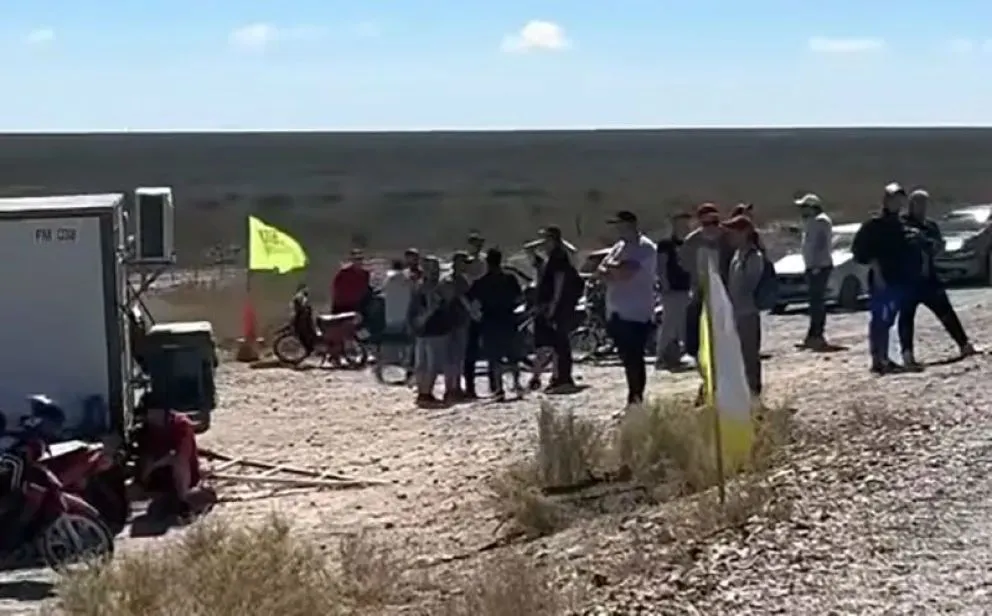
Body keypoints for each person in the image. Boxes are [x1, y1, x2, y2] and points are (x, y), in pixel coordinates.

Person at [897, 189, 976, 367]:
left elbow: (938, 247)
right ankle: (907, 353)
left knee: (946, 311)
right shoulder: (902, 224)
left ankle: (964, 344)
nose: (921, 208)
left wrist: (932, 244)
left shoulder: (930, 226)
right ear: (911, 205)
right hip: (908, 279)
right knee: (906, 317)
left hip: (929, 277)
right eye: (918, 204)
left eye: (924, 204)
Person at [596, 211, 657, 406]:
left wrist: (613, 269)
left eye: (620, 224)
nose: (617, 229)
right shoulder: (619, 247)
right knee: (626, 357)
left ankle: (636, 398)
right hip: (616, 309)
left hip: (636, 311)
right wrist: (614, 268)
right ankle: (633, 397)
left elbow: (626, 273)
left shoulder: (645, 248)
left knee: (634, 357)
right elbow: (600, 270)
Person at [852, 183, 913, 374]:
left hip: (899, 279)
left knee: (889, 320)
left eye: (900, 199)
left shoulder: (901, 225)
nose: (897, 203)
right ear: (886, 201)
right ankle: (878, 358)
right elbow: (860, 252)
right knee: (880, 319)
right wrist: (876, 268)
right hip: (881, 279)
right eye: (894, 199)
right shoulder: (874, 226)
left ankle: (885, 356)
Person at [468, 248, 525, 400]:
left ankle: (499, 388)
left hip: (490, 321)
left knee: (495, 358)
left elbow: (471, 300)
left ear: (487, 262)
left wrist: (477, 316)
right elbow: (519, 298)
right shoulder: (510, 279)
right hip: (508, 319)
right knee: (513, 356)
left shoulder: (481, 282)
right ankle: (517, 385)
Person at [133, 398, 202, 521]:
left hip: (183, 475)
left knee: (178, 462)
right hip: (160, 475)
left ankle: (183, 501)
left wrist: (155, 464)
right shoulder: (149, 428)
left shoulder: (181, 424)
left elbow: (179, 455)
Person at [681, 203, 733, 361]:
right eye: (706, 223)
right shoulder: (692, 242)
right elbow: (686, 265)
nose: (711, 227)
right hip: (701, 290)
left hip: (726, 290)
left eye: (714, 222)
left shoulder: (728, 238)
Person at [534, 226, 583, 392]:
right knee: (557, 344)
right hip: (556, 306)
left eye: (546, 239)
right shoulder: (551, 257)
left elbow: (559, 283)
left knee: (561, 343)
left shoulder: (559, 258)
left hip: (559, 306)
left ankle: (564, 379)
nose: (543, 243)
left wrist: (553, 306)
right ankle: (558, 378)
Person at [724, 216, 766, 397]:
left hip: (747, 313)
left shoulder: (753, 256)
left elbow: (750, 285)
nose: (731, 235)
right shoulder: (737, 255)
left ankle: (754, 393)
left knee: (749, 356)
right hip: (735, 314)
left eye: (734, 231)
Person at [407, 257, 454, 407]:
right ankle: (426, 393)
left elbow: (412, 311)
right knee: (431, 364)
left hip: (422, 330)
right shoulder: (432, 288)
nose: (436, 271)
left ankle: (423, 392)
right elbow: (439, 306)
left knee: (422, 364)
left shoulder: (418, 286)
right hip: (435, 329)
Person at [796, 193, 835, 350]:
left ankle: (817, 334)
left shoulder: (822, 222)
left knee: (817, 302)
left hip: (819, 266)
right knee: (814, 302)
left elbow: (821, 244)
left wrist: (817, 265)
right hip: (812, 266)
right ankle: (812, 335)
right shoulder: (812, 222)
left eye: (805, 207)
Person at [655, 212, 693, 370]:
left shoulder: (689, 243)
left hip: (686, 288)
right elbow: (661, 266)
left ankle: (676, 354)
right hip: (672, 290)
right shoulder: (665, 245)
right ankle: (662, 355)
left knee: (683, 324)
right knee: (669, 324)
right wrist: (665, 285)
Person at [443, 252, 478, 401]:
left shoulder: (449, 279)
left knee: (453, 357)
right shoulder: (458, 280)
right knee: (455, 357)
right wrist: (473, 312)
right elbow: (462, 298)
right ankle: (453, 388)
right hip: (458, 321)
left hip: (452, 321)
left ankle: (453, 387)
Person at [376, 259, 416, 382]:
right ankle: (409, 370)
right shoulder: (408, 280)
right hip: (406, 316)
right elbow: (414, 293)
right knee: (408, 345)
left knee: (389, 345)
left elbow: (381, 292)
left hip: (391, 316)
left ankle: (379, 370)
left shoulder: (388, 279)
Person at [462, 232, 487, 398]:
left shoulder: (483, 261)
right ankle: (470, 387)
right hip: (467, 304)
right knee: (468, 350)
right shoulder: (465, 262)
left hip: (481, 302)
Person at [331, 248, 371, 316]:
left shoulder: (366, 275)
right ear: (352, 260)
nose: (359, 261)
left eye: (360, 259)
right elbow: (336, 291)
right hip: (343, 308)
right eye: (356, 259)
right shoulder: (343, 274)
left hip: (358, 308)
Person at [290, 283, 317, 357]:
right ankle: (309, 349)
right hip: (302, 319)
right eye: (306, 288)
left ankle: (310, 349)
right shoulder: (300, 296)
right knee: (305, 334)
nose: (308, 290)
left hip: (302, 318)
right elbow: (302, 307)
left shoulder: (299, 296)